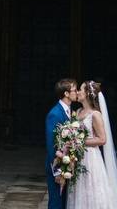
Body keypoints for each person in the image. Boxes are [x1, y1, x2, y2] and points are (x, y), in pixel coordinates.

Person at [68, 81, 117, 209]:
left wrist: (79, 141)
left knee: (92, 187)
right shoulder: (78, 111)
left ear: (87, 94)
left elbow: (102, 139)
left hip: (90, 157)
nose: (78, 92)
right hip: (78, 156)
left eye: (80, 89)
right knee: (79, 188)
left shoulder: (95, 115)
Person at [46, 78, 78, 209]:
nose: (77, 93)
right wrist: (58, 171)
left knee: (64, 202)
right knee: (56, 202)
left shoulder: (70, 111)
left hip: (68, 165)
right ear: (66, 93)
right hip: (58, 167)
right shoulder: (55, 114)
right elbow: (51, 144)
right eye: (74, 90)